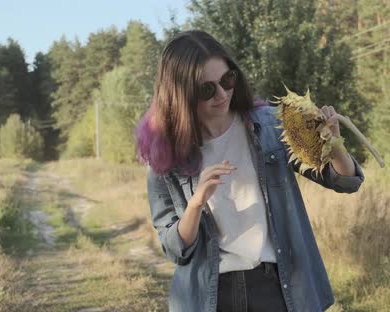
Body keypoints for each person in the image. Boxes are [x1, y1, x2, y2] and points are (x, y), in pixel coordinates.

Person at [135, 30, 364, 312]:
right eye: (207, 89)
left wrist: (335, 145)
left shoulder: (269, 126)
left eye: (227, 80)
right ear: (181, 94)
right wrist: (195, 203)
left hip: (278, 289)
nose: (221, 95)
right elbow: (175, 249)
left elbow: (344, 181)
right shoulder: (165, 155)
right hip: (211, 297)